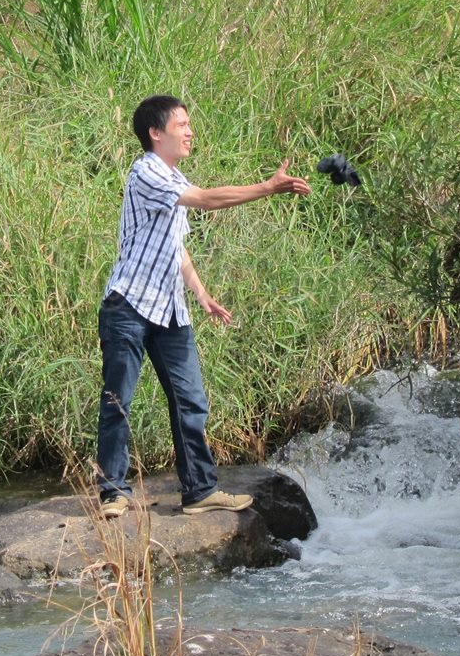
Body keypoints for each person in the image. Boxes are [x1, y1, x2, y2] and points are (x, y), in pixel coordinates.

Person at [96, 94, 312, 519]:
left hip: (169, 310)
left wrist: (201, 293)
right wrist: (267, 188)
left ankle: (199, 491)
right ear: (155, 133)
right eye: (181, 125)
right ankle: (113, 492)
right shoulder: (147, 172)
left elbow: (175, 248)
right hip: (129, 306)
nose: (190, 132)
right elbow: (208, 199)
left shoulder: (174, 178)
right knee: (118, 402)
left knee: (190, 400)